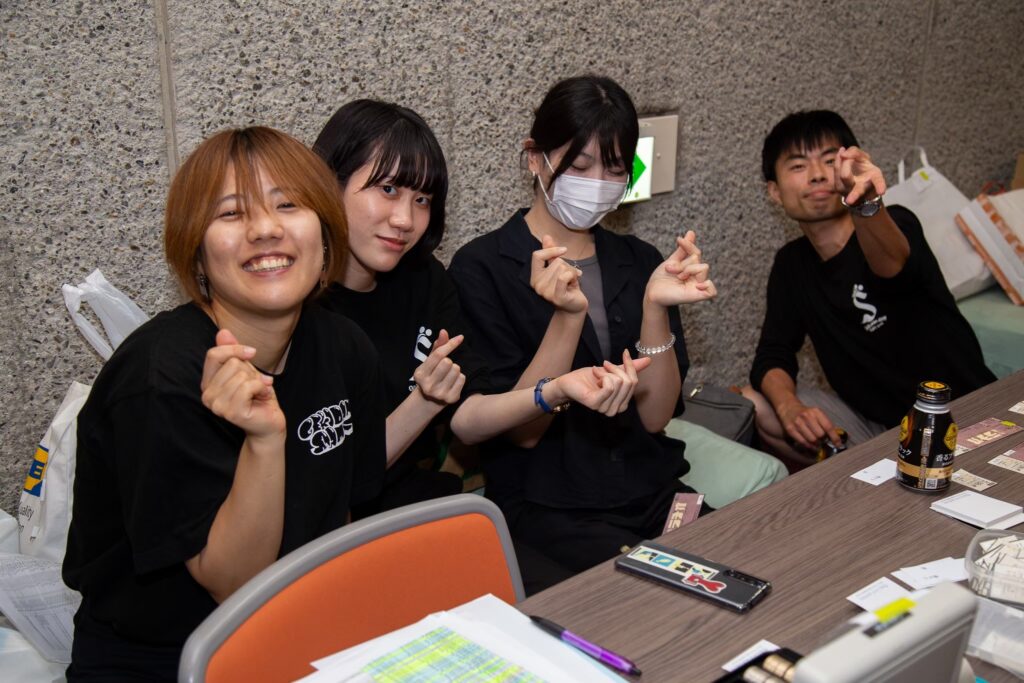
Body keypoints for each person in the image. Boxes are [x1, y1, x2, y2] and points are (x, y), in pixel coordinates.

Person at [62, 127, 386, 680]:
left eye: (288, 204)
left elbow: (343, 517)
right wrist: (264, 439)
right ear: (197, 254)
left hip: (297, 626)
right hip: (163, 658)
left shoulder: (344, 346)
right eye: (232, 213)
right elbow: (234, 587)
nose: (265, 229)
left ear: (326, 234)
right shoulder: (160, 378)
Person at [313, 99, 649, 528]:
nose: (405, 219)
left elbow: (470, 418)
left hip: (423, 507)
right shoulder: (300, 309)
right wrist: (425, 400)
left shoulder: (424, 279)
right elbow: (333, 486)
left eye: (422, 199)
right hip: (339, 528)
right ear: (331, 181)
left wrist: (554, 390)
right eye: (389, 189)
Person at [448, 75, 717, 575]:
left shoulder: (641, 261)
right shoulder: (482, 266)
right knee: (646, 602)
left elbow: (655, 418)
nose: (597, 182)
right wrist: (567, 318)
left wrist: (654, 308)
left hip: (652, 491)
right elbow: (521, 435)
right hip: (550, 509)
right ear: (535, 158)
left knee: (742, 566)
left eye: (614, 169)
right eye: (579, 165)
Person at [743, 110, 995, 467]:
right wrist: (789, 409)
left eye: (830, 161)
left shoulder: (893, 223)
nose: (817, 174)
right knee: (755, 404)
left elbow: (891, 267)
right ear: (774, 192)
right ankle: (873, 478)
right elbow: (773, 353)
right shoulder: (791, 265)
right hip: (879, 431)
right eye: (798, 166)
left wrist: (865, 203)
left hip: (959, 416)